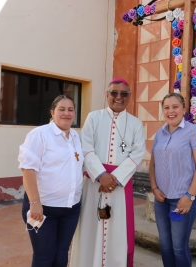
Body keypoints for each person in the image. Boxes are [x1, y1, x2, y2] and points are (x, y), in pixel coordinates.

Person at [70, 78, 146, 267]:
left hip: (119, 187)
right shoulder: (94, 117)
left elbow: (137, 155)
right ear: (107, 95)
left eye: (123, 94)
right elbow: (86, 148)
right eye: (114, 93)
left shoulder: (136, 123)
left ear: (129, 97)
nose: (118, 97)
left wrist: (115, 179)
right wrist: (101, 175)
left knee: (116, 230)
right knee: (90, 228)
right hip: (95, 183)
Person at [18, 95, 84, 267]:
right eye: (62, 109)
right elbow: (28, 169)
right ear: (52, 112)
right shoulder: (40, 134)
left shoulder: (76, 137)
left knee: (61, 254)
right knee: (44, 256)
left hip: (71, 208)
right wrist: (35, 202)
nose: (66, 113)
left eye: (70, 110)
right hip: (43, 208)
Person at [149, 93, 196, 267]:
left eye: (175, 107)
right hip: (162, 200)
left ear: (183, 109)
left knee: (179, 248)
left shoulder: (193, 131)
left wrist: (189, 196)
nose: (171, 111)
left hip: (182, 201)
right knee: (165, 247)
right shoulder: (160, 133)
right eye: (166, 108)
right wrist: (154, 189)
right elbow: (152, 165)